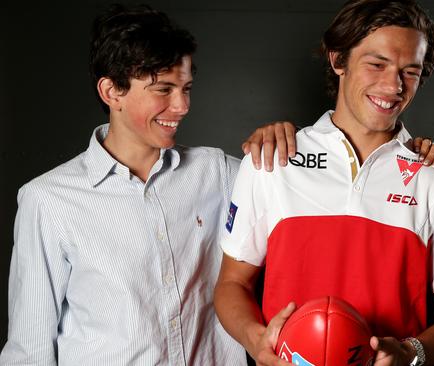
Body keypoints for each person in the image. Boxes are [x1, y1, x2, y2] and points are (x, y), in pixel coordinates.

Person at [0, 4, 299, 365]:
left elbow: (303, 198)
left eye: (186, 88)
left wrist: (283, 142)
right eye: (164, 89)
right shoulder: (47, 200)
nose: (183, 105)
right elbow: (29, 349)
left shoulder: (217, 172)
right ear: (112, 92)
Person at [214, 1, 434, 365]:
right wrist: (257, 340)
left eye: (410, 71)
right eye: (377, 64)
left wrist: (411, 353)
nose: (393, 86)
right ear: (338, 60)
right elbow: (232, 285)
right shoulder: (271, 160)